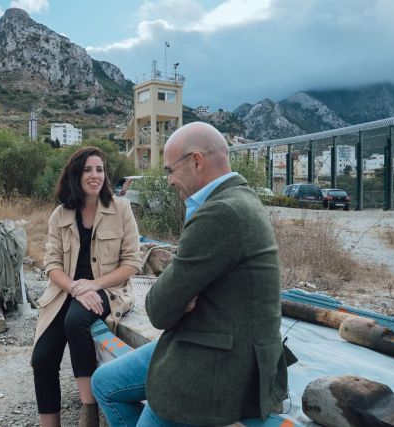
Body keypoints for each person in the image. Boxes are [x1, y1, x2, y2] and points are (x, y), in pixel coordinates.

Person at [91, 122, 290, 426]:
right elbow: (173, 295)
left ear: (197, 161)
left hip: (219, 363)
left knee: (141, 399)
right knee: (104, 383)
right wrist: (178, 294)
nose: (168, 181)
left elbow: (158, 308)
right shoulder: (235, 199)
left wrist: (176, 296)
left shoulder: (220, 212)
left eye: (170, 170)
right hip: (200, 338)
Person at [32, 147, 142, 427]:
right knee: (42, 358)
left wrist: (93, 285)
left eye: (100, 170)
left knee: (76, 320)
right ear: (75, 175)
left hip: (109, 289)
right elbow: (51, 264)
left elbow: (132, 263)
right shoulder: (60, 214)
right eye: (88, 170)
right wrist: (75, 288)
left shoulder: (121, 209)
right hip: (65, 292)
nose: (95, 176)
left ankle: (89, 411)